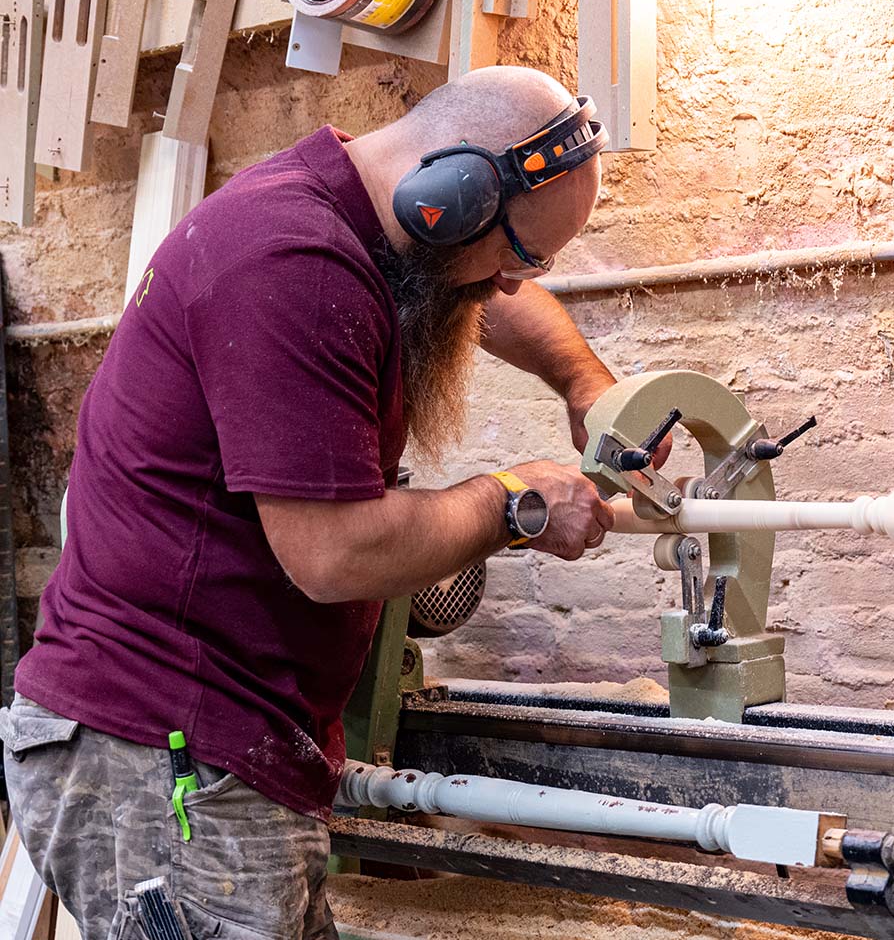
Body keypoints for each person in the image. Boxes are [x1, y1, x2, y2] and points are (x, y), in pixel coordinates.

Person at [0, 65, 669, 939]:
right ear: (451, 195)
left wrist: (585, 383)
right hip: (164, 758)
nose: (513, 282)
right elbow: (335, 555)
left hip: (216, 748)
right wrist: (514, 501)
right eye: (517, 252)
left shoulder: (364, 216)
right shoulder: (295, 266)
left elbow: (479, 294)